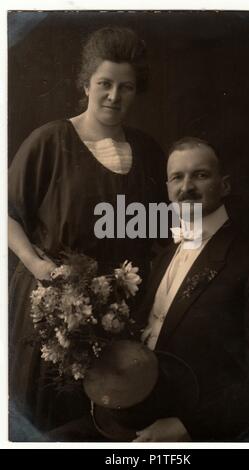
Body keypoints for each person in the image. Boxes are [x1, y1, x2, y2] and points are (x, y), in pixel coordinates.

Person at [8, 26, 167, 438]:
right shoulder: (49, 141)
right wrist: (36, 265)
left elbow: (168, 229)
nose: (114, 96)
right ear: (86, 83)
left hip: (120, 317)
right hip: (54, 311)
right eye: (105, 84)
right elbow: (6, 214)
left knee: (109, 425)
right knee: (52, 421)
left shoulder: (149, 152)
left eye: (126, 87)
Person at [133, 137, 249, 442]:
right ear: (167, 189)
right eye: (177, 177)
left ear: (224, 185)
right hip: (139, 411)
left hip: (198, 429)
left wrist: (187, 427)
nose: (186, 187)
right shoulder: (163, 257)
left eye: (200, 175)